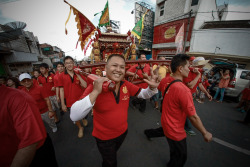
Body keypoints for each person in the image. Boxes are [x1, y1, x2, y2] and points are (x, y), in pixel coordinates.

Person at [70, 54, 159, 167]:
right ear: (106, 68)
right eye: (114, 65)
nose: (118, 70)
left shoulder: (125, 84)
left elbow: (142, 94)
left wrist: (152, 88)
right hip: (104, 138)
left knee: (111, 155)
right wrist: (96, 91)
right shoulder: (95, 86)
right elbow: (74, 116)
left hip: (122, 132)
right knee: (110, 163)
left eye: (122, 67)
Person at [159, 54, 212, 167]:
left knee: (174, 152)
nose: (189, 68)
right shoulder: (183, 90)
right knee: (180, 157)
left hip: (166, 123)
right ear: (180, 69)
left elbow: (159, 87)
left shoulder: (168, 81)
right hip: (175, 129)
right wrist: (205, 132)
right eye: (188, 66)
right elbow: (193, 117)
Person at [0, 84, 47, 167]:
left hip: (32, 156)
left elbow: (30, 141)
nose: (26, 82)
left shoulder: (16, 97)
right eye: (24, 81)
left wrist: (51, 110)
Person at [59, 56, 88, 138]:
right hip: (70, 101)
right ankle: (80, 127)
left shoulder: (79, 72)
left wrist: (78, 74)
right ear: (64, 65)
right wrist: (62, 104)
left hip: (81, 99)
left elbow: (85, 85)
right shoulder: (61, 76)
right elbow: (61, 90)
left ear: (73, 63)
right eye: (67, 63)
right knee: (74, 117)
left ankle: (84, 118)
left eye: (71, 62)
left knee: (84, 113)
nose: (69, 65)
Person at [183, 57, 212, 135]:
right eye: (202, 63)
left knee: (186, 112)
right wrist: (198, 75)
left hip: (190, 94)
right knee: (190, 112)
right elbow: (190, 86)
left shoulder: (199, 72)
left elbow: (199, 84)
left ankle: (183, 126)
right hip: (184, 94)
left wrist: (207, 93)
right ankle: (187, 127)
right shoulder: (189, 71)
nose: (204, 65)